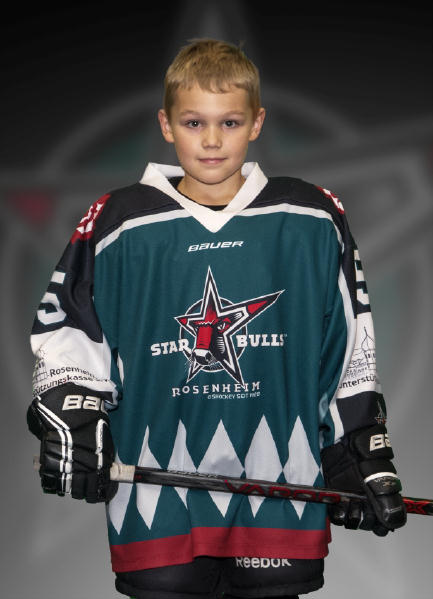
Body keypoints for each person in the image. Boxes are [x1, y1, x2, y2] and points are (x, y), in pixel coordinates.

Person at [27, 38, 406, 599]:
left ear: (257, 122)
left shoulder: (310, 215)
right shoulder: (117, 221)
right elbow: (71, 326)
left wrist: (358, 450)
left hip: (283, 491)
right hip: (155, 502)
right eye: (193, 122)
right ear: (165, 124)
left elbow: (349, 343)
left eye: (229, 122)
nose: (211, 140)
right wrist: (72, 415)